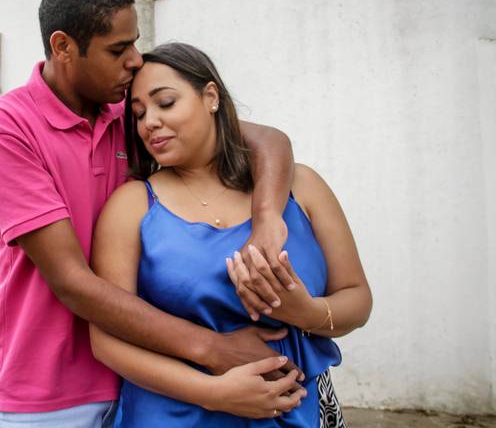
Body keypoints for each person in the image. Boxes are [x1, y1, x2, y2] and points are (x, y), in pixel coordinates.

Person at [0, 0, 306, 428]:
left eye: (134, 43)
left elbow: (266, 140)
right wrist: (213, 350)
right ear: (63, 47)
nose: (134, 60)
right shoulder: (6, 128)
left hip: (148, 381)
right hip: (52, 393)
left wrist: (268, 219)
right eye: (117, 49)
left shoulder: (130, 113)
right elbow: (72, 280)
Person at [89, 42, 373, 427]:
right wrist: (214, 393)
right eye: (138, 115)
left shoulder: (301, 187)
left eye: (166, 102)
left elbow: (357, 299)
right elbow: (106, 340)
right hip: (174, 415)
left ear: (211, 97)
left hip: (300, 411)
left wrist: (306, 312)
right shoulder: (132, 205)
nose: (149, 122)